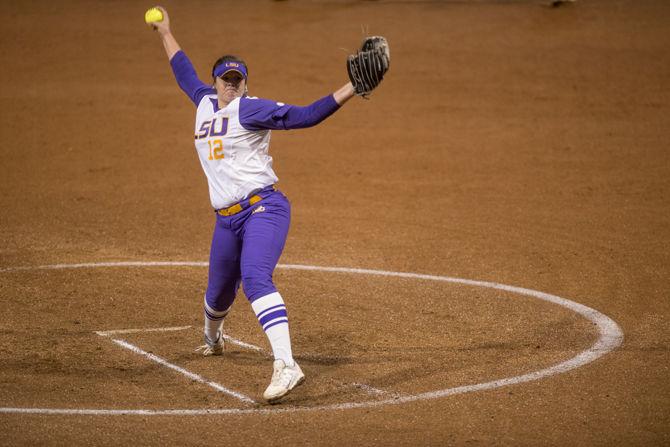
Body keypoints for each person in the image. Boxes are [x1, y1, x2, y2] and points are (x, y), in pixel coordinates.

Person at [148, 7, 359, 402]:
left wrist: (349, 88)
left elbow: (306, 116)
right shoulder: (203, 101)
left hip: (264, 208)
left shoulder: (252, 109)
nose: (231, 86)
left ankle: (286, 364)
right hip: (226, 221)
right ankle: (213, 340)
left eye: (237, 80)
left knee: (255, 277)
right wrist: (166, 31)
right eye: (226, 80)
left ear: (245, 84)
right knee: (217, 296)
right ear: (215, 83)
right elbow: (182, 70)